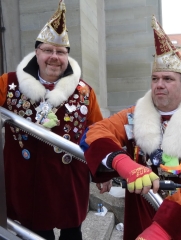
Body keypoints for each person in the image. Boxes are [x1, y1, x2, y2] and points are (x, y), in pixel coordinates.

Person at [80, 15, 181, 240]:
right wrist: (123, 163)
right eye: (155, 78)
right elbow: (94, 133)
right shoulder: (134, 113)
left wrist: (162, 231)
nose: (159, 85)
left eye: (168, 79)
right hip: (143, 216)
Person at [0, 1, 110, 239]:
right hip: (28, 181)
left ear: (67, 56)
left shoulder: (85, 92)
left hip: (69, 181)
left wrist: (103, 173)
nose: (54, 57)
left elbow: (98, 132)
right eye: (48, 50)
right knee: (36, 234)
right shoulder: (7, 83)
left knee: (72, 233)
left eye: (60, 52)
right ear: (37, 52)